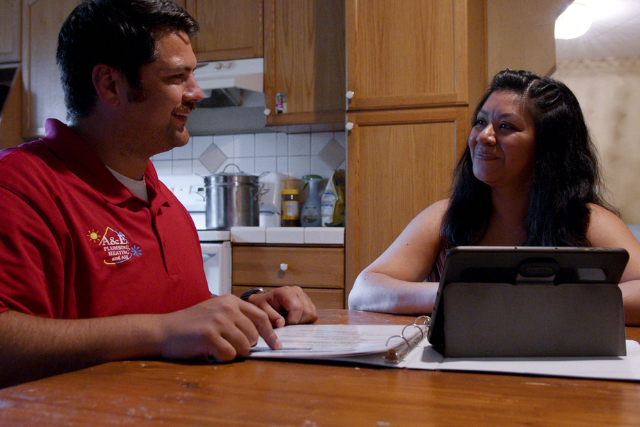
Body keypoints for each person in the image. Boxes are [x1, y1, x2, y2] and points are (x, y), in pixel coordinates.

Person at [0, 0, 317, 388]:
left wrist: (248, 309)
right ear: (110, 85)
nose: (197, 93)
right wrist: (163, 332)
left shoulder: (164, 202)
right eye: (176, 77)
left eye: (193, 75)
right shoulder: (18, 188)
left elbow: (177, 318)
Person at [348, 69, 640, 326]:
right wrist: (464, 290)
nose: (483, 136)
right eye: (480, 122)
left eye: (506, 127)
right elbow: (364, 291)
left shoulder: (585, 219)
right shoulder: (444, 215)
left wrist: (541, 300)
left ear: (548, 149)